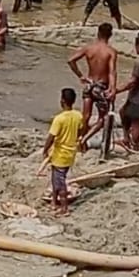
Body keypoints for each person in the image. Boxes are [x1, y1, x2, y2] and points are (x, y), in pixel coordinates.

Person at [68, 22, 119, 145]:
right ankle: (84, 140)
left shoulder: (88, 48)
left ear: (98, 33)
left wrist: (81, 76)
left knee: (85, 116)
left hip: (89, 85)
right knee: (103, 118)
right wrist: (112, 89)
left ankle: (80, 139)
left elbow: (70, 60)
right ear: (110, 35)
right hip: (101, 87)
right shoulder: (111, 52)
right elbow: (112, 72)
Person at [38, 87, 84, 215]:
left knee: (60, 180)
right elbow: (80, 131)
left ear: (62, 101)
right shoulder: (78, 116)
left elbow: (51, 137)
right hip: (70, 153)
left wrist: (45, 150)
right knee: (55, 177)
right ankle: (54, 201)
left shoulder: (59, 119)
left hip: (60, 154)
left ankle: (64, 207)